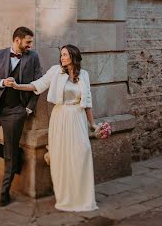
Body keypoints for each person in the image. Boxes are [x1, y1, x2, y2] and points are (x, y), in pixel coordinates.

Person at [10, 44, 98, 212]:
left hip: (78, 118)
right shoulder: (55, 71)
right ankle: (66, 198)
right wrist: (17, 86)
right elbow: (37, 85)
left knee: (82, 153)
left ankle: (83, 198)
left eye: (65, 55)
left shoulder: (84, 75)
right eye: (61, 55)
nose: (62, 57)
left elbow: (87, 103)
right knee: (62, 158)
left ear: (73, 56)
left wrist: (93, 125)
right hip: (60, 117)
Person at [0, 26, 42, 207]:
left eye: (30, 42)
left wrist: (28, 109)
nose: (30, 45)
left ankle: (4, 193)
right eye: (27, 42)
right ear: (17, 40)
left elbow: (39, 85)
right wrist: (2, 82)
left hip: (15, 113)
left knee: (10, 154)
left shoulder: (33, 57)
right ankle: (16, 155)